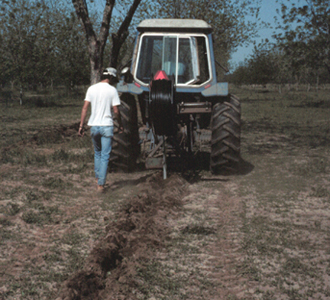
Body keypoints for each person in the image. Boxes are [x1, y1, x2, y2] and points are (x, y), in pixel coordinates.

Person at [78, 67, 123, 192]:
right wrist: (120, 124)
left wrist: (81, 126)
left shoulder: (91, 89)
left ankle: (98, 178)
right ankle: (101, 185)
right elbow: (116, 110)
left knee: (97, 153)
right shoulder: (112, 90)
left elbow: (85, 108)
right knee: (105, 156)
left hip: (94, 126)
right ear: (112, 78)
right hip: (107, 126)